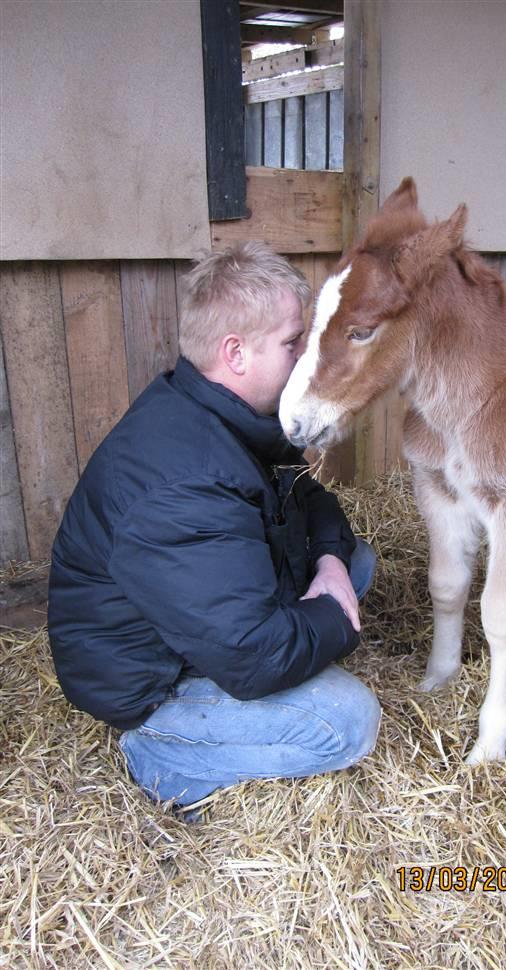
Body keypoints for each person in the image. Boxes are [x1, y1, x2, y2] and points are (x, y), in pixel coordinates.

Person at [48, 241, 381, 810]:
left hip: (206, 620)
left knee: (358, 562)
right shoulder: (184, 482)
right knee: (346, 722)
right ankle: (161, 752)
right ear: (237, 354)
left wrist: (328, 564)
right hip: (153, 677)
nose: (308, 354)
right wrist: (334, 616)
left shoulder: (235, 418)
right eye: (293, 341)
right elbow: (254, 659)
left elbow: (312, 498)